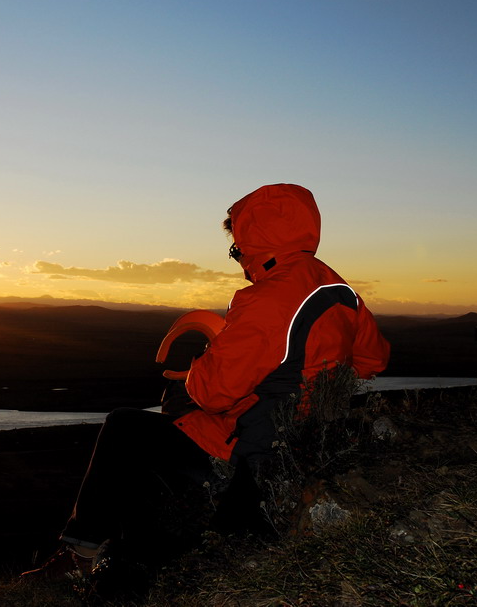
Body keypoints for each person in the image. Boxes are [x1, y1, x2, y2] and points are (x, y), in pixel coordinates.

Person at [21, 183, 390, 582]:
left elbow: (212, 393)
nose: (237, 255)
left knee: (125, 426)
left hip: (252, 445)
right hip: (304, 433)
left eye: (237, 245)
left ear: (257, 238)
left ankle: (81, 553)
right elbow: (373, 360)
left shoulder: (267, 299)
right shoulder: (340, 290)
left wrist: (198, 367)